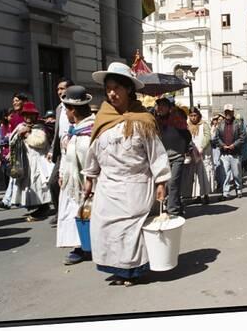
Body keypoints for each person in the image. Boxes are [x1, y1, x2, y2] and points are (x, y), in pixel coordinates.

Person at [83, 62, 171, 287]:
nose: (112, 93)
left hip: (135, 184)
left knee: (130, 230)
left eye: (117, 88)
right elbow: (94, 151)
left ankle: (132, 271)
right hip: (107, 186)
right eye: (109, 88)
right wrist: (89, 176)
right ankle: (116, 268)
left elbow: (156, 153)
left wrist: (161, 179)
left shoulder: (143, 120)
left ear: (129, 90)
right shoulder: (102, 119)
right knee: (106, 228)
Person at [56, 86, 95, 265]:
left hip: (87, 182)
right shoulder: (75, 129)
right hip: (72, 182)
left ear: (73, 110)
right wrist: (62, 172)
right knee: (76, 214)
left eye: (66, 110)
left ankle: (87, 247)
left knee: (87, 214)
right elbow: (67, 155)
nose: (65, 114)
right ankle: (80, 246)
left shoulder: (90, 130)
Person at [10, 101, 53, 221]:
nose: (29, 117)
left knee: (39, 184)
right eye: (26, 115)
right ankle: (37, 206)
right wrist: (19, 135)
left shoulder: (39, 127)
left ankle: (43, 208)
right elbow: (11, 140)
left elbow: (41, 142)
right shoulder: (20, 126)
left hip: (39, 161)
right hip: (25, 161)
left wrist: (27, 135)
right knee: (30, 185)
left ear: (35, 115)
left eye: (31, 115)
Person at [155, 97, 193, 217]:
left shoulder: (177, 120)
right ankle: (177, 205)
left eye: (163, 106)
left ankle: (173, 211)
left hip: (177, 157)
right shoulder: (155, 121)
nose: (160, 108)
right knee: (164, 184)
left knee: (173, 183)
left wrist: (186, 150)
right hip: (162, 158)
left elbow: (187, 136)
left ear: (169, 108)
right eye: (158, 106)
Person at [47, 78, 75, 225]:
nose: (60, 92)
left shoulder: (78, 105)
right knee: (53, 183)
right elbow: (57, 132)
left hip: (76, 150)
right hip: (61, 153)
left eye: (63, 88)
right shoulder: (59, 109)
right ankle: (59, 212)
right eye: (58, 89)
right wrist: (52, 150)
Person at [0, 93, 28, 209]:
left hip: (27, 150)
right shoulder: (14, 118)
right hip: (17, 151)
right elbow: (12, 138)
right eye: (13, 101)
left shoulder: (27, 113)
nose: (14, 103)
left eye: (17, 100)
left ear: (23, 101)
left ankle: (10, 200)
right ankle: (9, 200)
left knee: (19, 177)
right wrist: (11, 151)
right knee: (15, 177)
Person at [213, 104, 247, 200]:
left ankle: (239, 189)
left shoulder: (238, 123)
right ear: (225, 113)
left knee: (236, 173)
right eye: (226, 112)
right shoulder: (220, 124)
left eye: (229, 112)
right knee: (225, 174)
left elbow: (242, 137)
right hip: (224, 153)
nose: (228, 114)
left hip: (235, 153)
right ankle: (225, 192)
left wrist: (234, 145)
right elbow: (217, 137)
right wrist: (223, 145)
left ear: (233, 112)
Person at [183, 107, 213, 204]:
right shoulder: (187, 126)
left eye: (195, 115)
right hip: (193, 153)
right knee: (195, 176)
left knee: (204, 175)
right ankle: (197, 195)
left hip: (203, 153)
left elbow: (208, 136)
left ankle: (206, 195)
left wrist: (202, 147)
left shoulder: (204, 124)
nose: (193, 118)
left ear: (198, 115)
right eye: (191, 116)